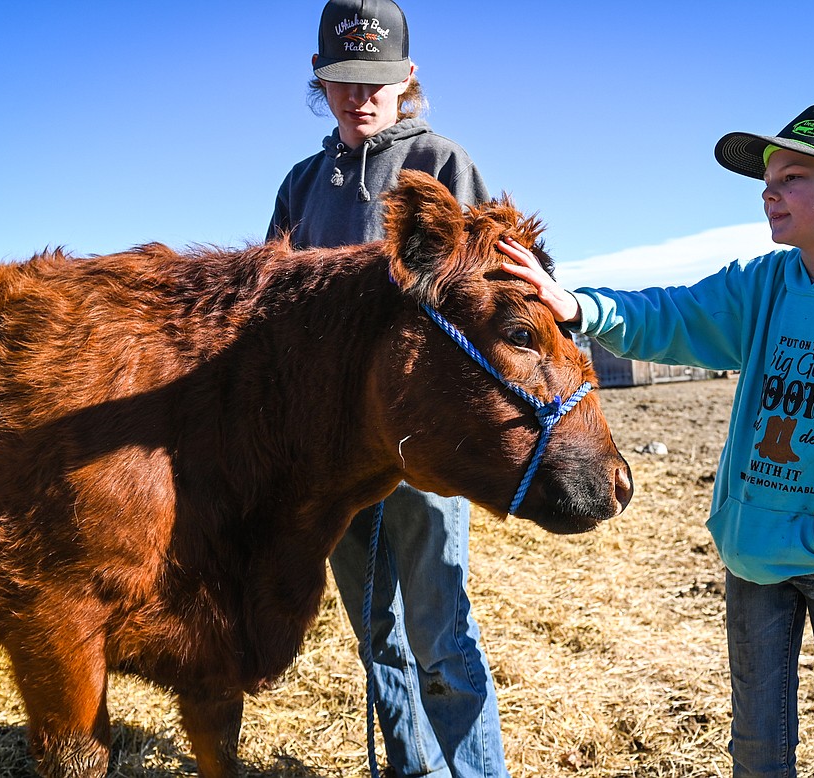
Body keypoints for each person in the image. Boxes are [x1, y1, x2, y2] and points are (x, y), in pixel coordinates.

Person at [499, 104, 814, 777]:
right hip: (755, 559)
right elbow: (673, 313)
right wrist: (576, 306)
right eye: (767, 180)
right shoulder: (765, 284)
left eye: (793, 176)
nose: (770, 192)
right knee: (757, 749)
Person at [266, 2, 509, 776]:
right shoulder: (301, 185)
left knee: (441, 633)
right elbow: (270, 310)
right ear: (320, 78)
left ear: (407, 78)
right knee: (377, 634)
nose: (358, 96)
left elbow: (492, 298)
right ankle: (413, 768)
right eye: (341, 79)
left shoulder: (442, 164)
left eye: (375, 80)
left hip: (423, 447)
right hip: (335, 453)